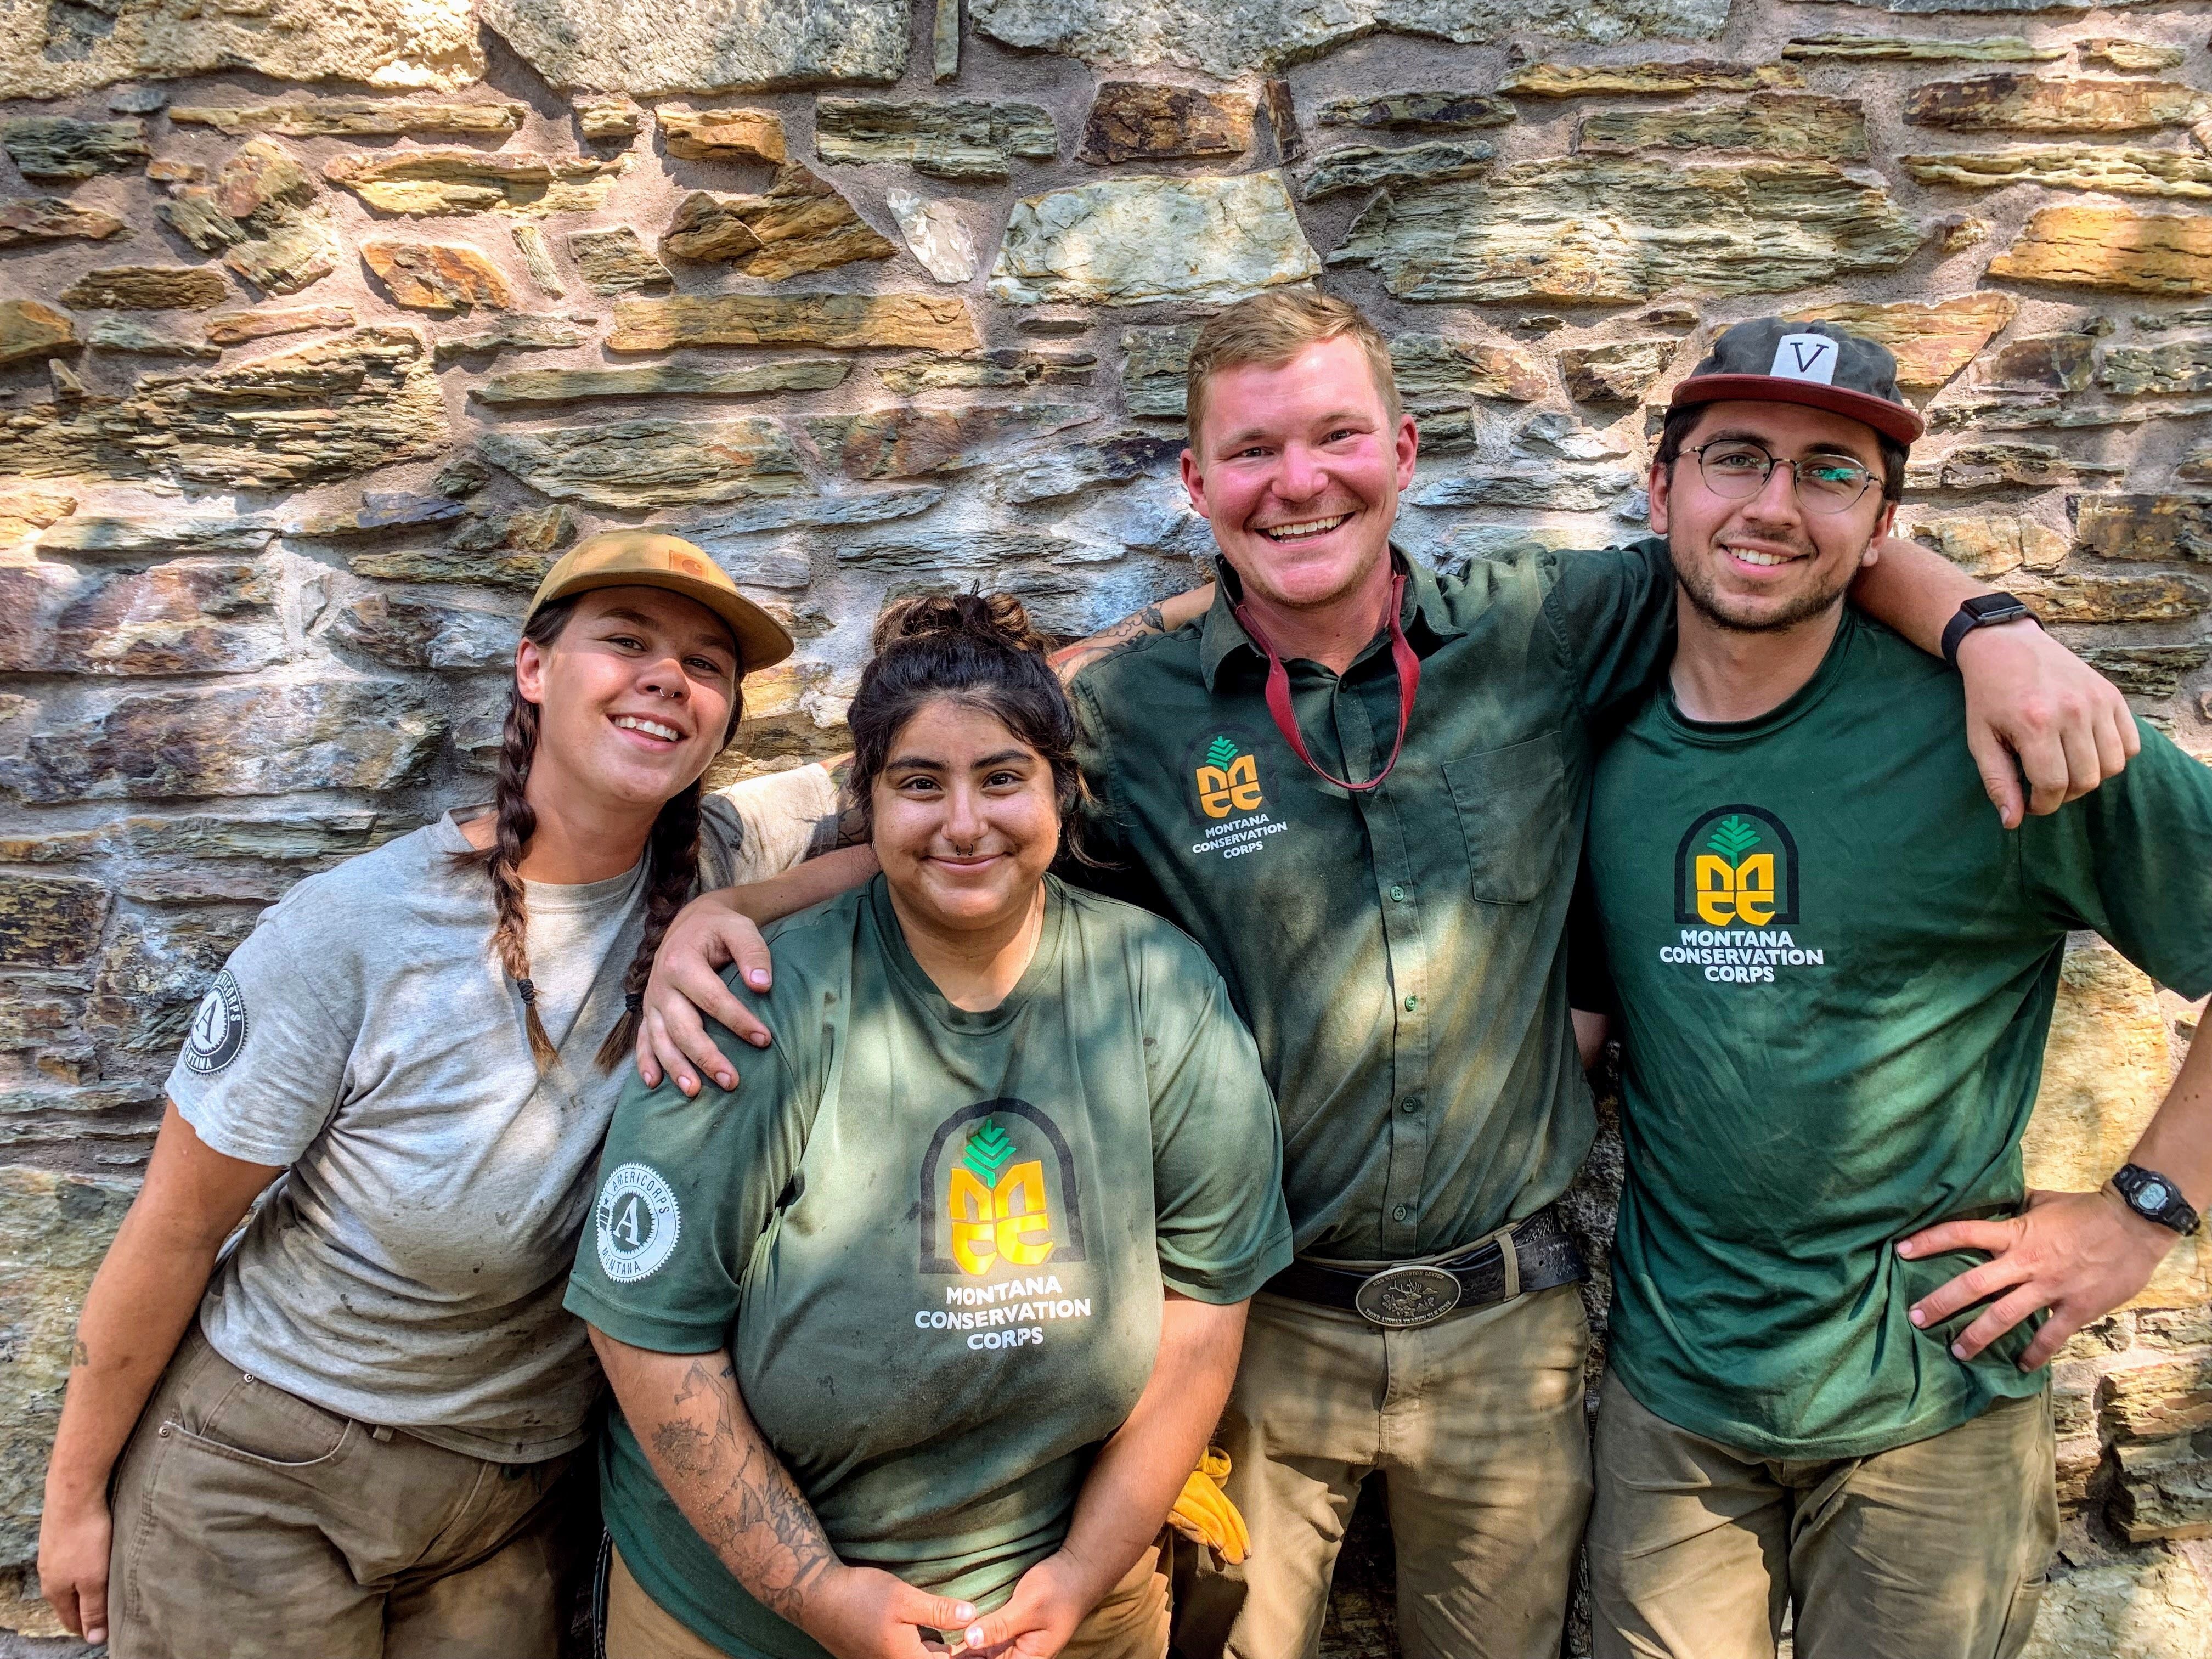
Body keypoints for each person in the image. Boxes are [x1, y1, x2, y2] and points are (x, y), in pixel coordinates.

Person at [636, 289, 2141, 1659]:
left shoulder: (1548, 627)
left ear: (1405, 450)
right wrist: (744, 911)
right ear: (1197, 484)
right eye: (1254, 452)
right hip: (1257, 1337)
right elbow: (964, 809)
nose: (1301, 482)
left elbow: (1772, 541)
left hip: (1513, 1338)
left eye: (1339, 436)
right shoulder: (1138, 710)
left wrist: (1989, 626)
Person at [36, 531, 860, 1658]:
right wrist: (75, 1500)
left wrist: (1168, 625)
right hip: (269, 1477)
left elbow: (940, 793)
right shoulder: (354, 934)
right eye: (626, 642)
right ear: (534, 668)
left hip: (511, 1504)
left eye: (707, 664)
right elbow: (177, 1228)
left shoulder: (720, 859)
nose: (670, 676)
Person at [1568, 318, 2212, 1659]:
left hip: (1931, 1404)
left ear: (1884, 523)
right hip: (1674, 1406)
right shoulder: (1589, 722)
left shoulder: (2012, 730)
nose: (1772, 504)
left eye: (1831, 471)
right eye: (1735, 458)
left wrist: (2142, 1216)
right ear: (1661, 491)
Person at [565, 592, 1293, 1659]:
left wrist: (1081, 1576)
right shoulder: (753, 1003)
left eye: (1003, 777)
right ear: (868, 800)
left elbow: (1202, 1313)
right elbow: (645, 1333)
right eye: (920, 784)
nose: (964, 823)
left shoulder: (1160, 990)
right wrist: (818, 1594)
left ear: (1061, 791)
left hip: (1065, 1605)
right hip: (745, 1617)